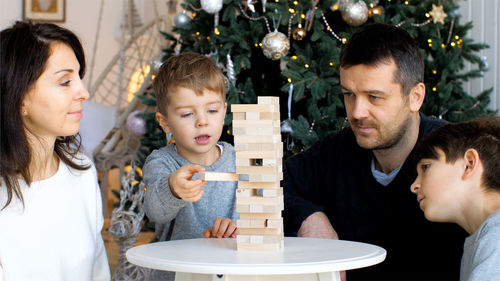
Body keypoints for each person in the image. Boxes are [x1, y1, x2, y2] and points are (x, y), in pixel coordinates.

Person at [282, 23, 467, 280]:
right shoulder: (337, 151)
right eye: (349, 94)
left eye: (374, 97)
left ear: (415, 97)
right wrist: (308, 216)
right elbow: (265, 183)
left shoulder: (455, 156)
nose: (357, 112)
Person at [0, 22, 110, 281]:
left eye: (79, 78)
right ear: (20, 97)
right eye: (65, 82)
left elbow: (98, 271)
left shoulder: (81, 171)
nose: (83, 92)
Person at [142, 52, 239, 280]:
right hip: (178, 275)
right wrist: (173, 189)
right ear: (165, 122)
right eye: (187, 114)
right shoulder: (161, 162)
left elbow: (265, 215)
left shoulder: (241, 160)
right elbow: (155, 212)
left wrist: (237, 229)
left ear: (224, 112)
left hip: (234, 272)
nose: (202, 121)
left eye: (212, 110)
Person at [411, 116, 500, 281]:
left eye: (426, 167)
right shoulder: (484, 237)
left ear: (469, 164)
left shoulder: (496, 236)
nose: (414, 186)